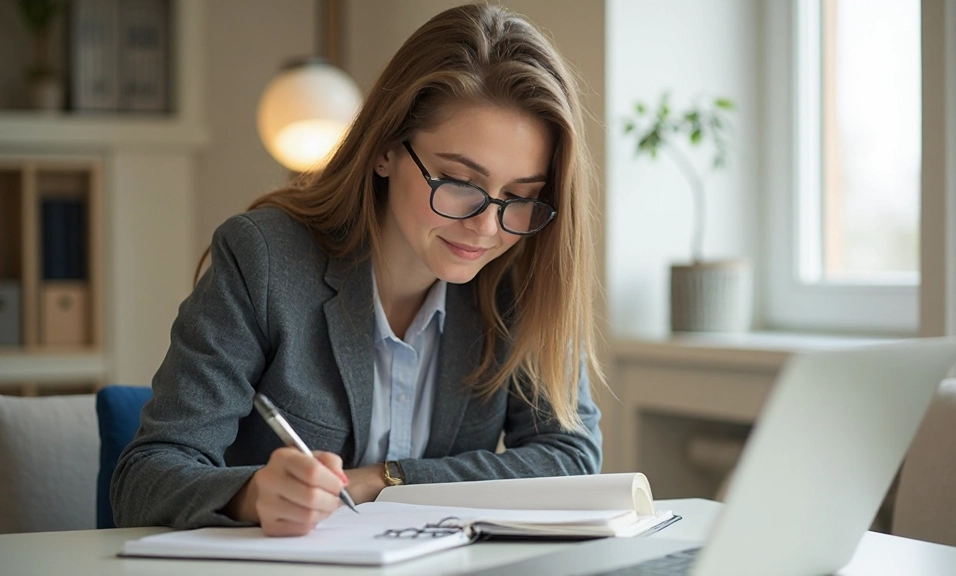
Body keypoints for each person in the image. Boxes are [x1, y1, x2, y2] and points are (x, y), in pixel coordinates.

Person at [111, 3, 604, 536]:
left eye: (520, 196)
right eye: (460, 182)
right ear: (386, 149)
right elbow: (144, 478)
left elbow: (571, 457)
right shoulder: (263, 259)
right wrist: (249, 496)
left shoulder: (521, 279)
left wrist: (385, 481)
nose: (487, 227)